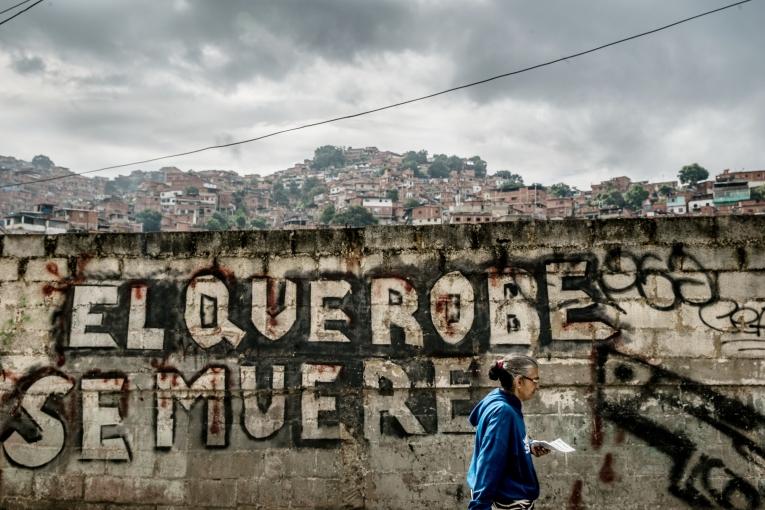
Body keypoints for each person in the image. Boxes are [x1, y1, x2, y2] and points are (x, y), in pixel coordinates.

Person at [467, 354, 548, 510]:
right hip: (509, 502)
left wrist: (528, 446)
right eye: (535, 380)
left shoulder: (497, 399)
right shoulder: (504, 412)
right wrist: (479, 506)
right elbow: (489, 462)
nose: (537, 386)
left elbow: (501, 444)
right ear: (519, 381)